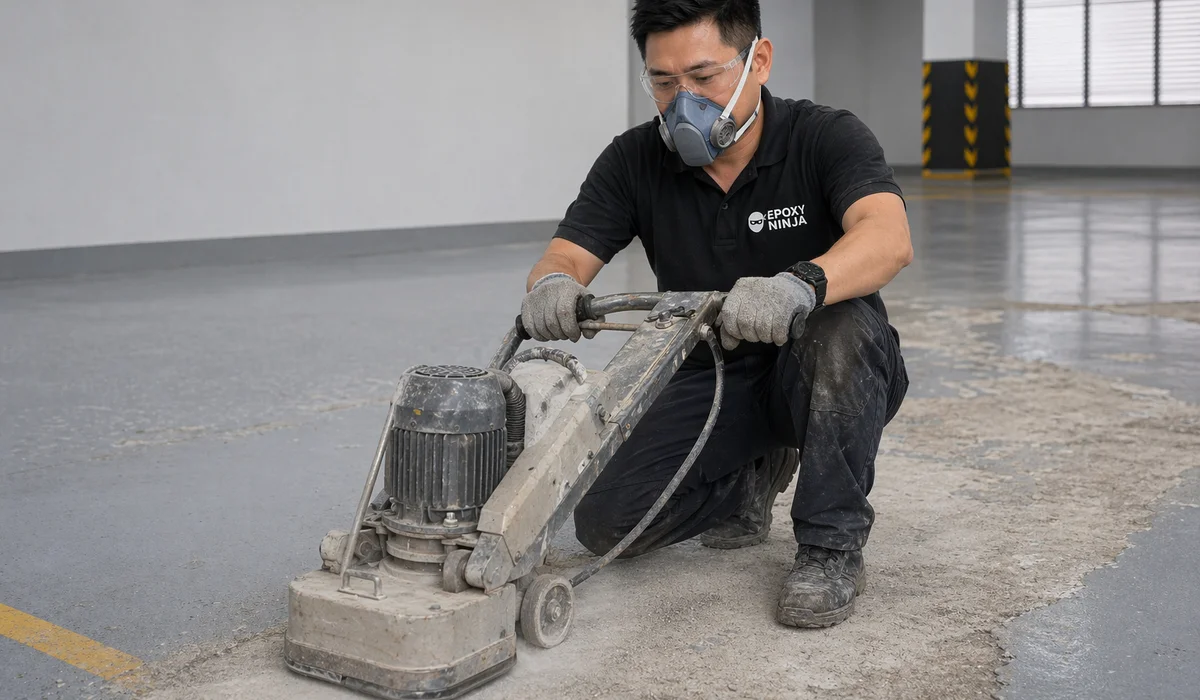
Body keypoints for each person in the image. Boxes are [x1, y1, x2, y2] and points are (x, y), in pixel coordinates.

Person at [519, 0, 911, 628]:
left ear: (759, 58)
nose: (684, 103)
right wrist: (554, 284)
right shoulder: (633, 160)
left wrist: (802, 284)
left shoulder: (824, 137)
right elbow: (568, 250)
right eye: (663, 82)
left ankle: (831, 547)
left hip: (825, 373)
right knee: (605, 519)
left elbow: (888, 237)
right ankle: (753, 473)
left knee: (839, 332)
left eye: (703, 78)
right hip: (713, 375)